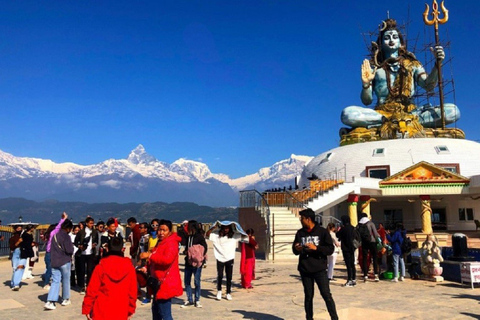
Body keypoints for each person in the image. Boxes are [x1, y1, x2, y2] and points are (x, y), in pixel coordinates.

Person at [341, 18, 460, 129]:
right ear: (381, 43)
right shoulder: (376, 68)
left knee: (453, 111)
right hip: (382, 113)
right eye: (387, 37)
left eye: (394, 37)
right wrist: (366, 84)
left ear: (400, 42)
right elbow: (367, 101)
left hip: (411, 112)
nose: (391, 40)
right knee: (347, 114)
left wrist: (437, 65)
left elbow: (429, 86)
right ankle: (389, 121)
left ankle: (404, 121)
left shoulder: (413, 65)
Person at [292, 208, 338, 320]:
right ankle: (309, 318)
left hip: (319, 269)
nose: (300, 220)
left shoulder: (322, 232)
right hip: (305, 269)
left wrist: (316, 248)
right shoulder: (300, 233)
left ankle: (334, 318)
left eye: (302, 218)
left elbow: (330, 249)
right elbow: (294, 250)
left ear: (308, 219)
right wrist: (297, 248)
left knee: (326, 295)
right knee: (308, 296)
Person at [82, 237, 137, 320]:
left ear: (107, 249)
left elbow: (92, 290)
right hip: (121, 309)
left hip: (101, 309)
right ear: (123, 249)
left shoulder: (100, 267)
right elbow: (133, 291)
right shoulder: (130, 268)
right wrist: (131, 309)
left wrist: (87, 308)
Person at [140, 219, 182, 320]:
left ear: (170, 232)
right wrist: (146, 267)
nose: (161, 233)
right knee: (156, 312)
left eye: (164, 230)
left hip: (165, 283)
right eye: (160, 230)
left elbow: (167, 260)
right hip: (157, 282)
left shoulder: (171, 243)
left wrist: (149, 256)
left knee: (165, 314)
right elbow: (155, 258)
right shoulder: (160, 242)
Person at [206, 221, 247, 301]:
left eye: (227, 228)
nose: (226, 230)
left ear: (230, 228)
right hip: (220, 257)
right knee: (220, 275)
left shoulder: (234, 236)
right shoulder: (216, 236)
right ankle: (219, 291)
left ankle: (228, 292)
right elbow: (207, 235)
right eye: (224, 228)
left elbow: (244, 236)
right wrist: (213, 228)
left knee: (229, 276)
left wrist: (237, 227)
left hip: (230, 258)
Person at [44, 219, 75, 310]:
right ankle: (65, 299)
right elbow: (69, 250)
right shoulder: (66, 237)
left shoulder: (55, 236)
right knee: (66, 280)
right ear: (68, 228)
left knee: (55, 281)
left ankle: (51, 301)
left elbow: (51, 249)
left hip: (55, 261)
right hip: (64, 261)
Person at [181, 220, 207, 308]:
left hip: (197, 263)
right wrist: (187, 252)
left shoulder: (199, 237)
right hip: (188, 262)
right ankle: (189, 299)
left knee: (197, 281)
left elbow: (205, 248)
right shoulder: (188, 237)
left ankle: (197, 299)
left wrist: (199, 257)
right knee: (187, 281)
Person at [74, 217, 99, 294]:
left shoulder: (95, 232)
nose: (92, 225)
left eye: (93, 223)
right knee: (81, 270)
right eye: (90, 223)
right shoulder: (81, 232)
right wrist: (79, 246)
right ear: (87, 223)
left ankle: (89, 286)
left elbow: (97, 241)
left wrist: (94, 244)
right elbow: (76, 242)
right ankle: (82, 286)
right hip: (82, 253)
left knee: (90, 270)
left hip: (91, 253)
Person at [43, 213, 67, 290]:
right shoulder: (53, 234)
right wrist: (63, 219)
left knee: (50, 269)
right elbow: (58, 228)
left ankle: (47, 279)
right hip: (50, 253)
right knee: (50, 269)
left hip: (49, 253)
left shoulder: (51, 235)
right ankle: (46, 283)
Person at [358, 212, 380, 282]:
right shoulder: (370, 223)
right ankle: (376, 274)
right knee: (374, 258)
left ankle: (365, 275)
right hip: (372, 242)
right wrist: (378, 240)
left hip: (364, 243)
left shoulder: (359, 225)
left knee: (365, 258)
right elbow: (376, 234)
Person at [336, 215, 356, 287]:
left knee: (348, 265)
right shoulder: (352, 228)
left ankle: (349, 279)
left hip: (345, 248)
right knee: (352, 264)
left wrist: (339, 230)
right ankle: (353, 278)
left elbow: (337, 235)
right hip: (352, 248)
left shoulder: (343, 229)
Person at [9, 225, 26, 290]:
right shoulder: (12, 238)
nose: (19, 229)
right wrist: (18, 242)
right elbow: (12, 247)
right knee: (15, 268)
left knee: (20, 268)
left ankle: (16, 284)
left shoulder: (25, 236)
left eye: (20, 228)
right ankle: (13, 283)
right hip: (16, 252)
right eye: (18, 228)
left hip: (23, 252)